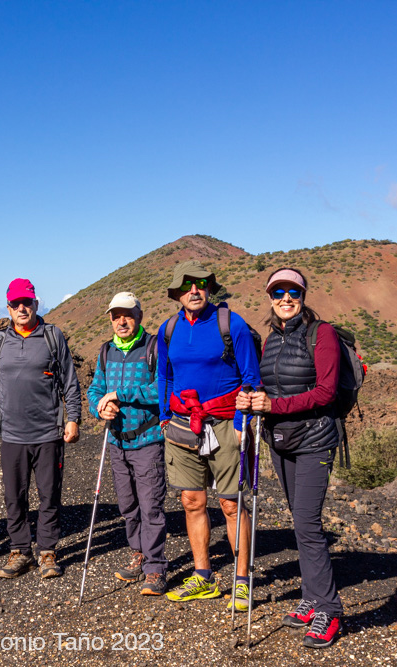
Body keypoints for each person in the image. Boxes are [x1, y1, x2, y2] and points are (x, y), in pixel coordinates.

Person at [236, 267, 344, 649]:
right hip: (282, 441)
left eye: (293, 292)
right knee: (299, 522)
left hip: (315, 440)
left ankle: (329, 609)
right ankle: (312, 597)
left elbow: (327, 392)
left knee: (309, 524)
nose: (285, 298)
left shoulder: (321, 333)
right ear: (270, 297)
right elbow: (268, 386)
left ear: (303, 295)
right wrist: (251, 398)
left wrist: (274, 405)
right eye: (278, 292)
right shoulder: (271, 339)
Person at [157, 260, 261, 612]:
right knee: (191, 501)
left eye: (200, 284)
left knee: (231, 503)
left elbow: (251, 377)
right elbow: (165, 375)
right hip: (182, 424)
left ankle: (243, 580)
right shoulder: (168, 329)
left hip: (225, 423)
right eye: (186, 286)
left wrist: (242, 420)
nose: (194, 290)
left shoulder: (231, 324)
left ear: (209, 289)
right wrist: (164, 416)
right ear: (177, 293)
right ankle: (204, 576)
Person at [0, 278, 82, 579]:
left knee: (49, 495)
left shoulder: (52, 336)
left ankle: (48, 552)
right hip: (12, 434)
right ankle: (20, 551)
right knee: (14, 496)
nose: (22, 308)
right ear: (8, 308)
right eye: (16, 304)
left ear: (36, 304)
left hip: (48, 431)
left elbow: (70, 381)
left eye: (27, 302)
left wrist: (73, 418)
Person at [87, 292, 168, 595]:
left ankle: (156, 568)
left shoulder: (154, 347)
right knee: (128, 505)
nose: (122, 321)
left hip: (148, 440)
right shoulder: (106, 351)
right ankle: (139, 553)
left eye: (128, 315)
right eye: (116, 316)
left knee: (151, 507)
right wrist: (99, 408)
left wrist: (120, 395)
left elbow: (163, 390)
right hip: (117, 442)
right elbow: (95, 390)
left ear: (139, 316)